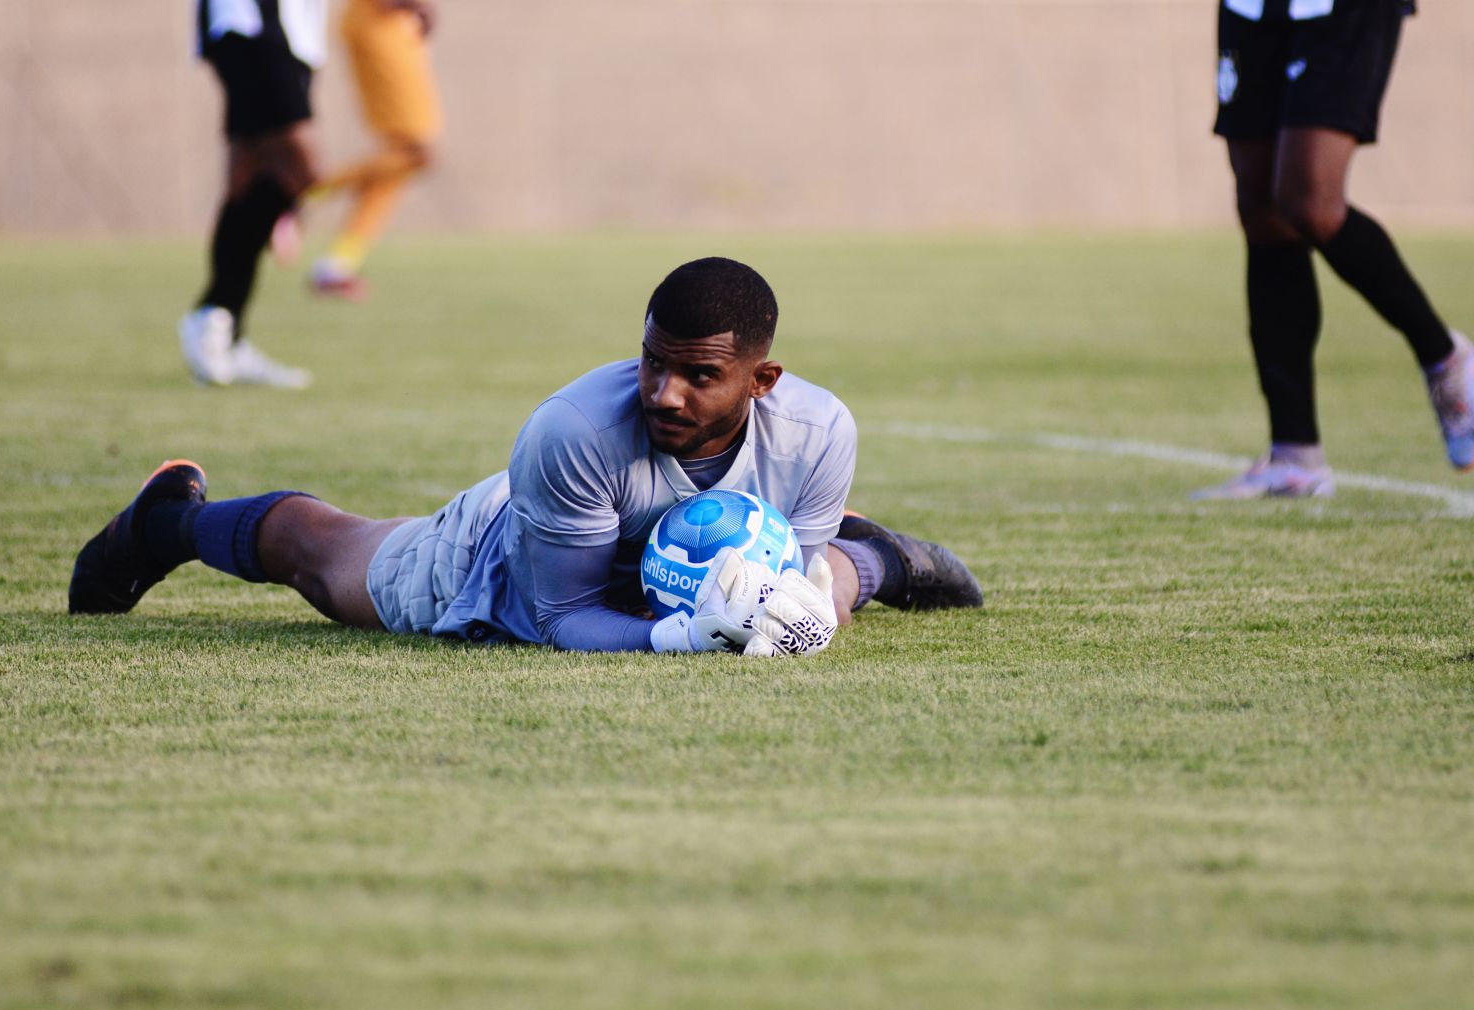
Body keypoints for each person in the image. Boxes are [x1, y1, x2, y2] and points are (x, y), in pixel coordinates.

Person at [70, 258, 984, 655]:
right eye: (652, 362)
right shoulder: (575, 433)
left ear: (762, 380)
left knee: (816, 589)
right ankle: (169, 522)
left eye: (697, 376)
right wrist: (679, 638)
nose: (664, 393)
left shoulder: (820, 433)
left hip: (684, 555)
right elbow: (561, 618)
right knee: (327, 561)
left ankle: (875, 558)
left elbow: (794, 575)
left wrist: (807, 601)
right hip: (512, 562)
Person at [1196, 0, 1472, 500]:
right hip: (1253, 9)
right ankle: (1294, 455)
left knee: (1309, 202)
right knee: (1260, 207)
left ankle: (1447, 362)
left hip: (1341, 9)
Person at [179, 0, 324, 389]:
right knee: (302, 169)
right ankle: (214, 314)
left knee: (248, 174)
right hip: (254, 23)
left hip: (284, 30)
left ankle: (226, 331)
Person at [305, 0, 443, 300]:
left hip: (393, 23)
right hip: (380, 18)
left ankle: (337, 264)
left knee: (401, 158)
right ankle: (298, 193)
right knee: (417, 152)